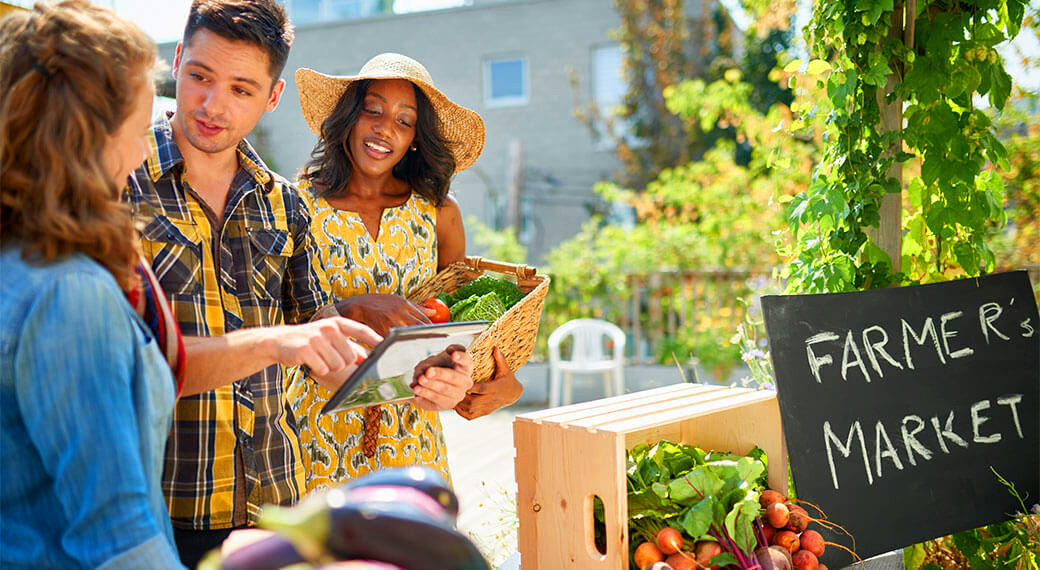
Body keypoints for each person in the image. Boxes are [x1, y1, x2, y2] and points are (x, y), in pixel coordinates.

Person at [123, 2, 473, 567]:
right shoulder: (120, 184)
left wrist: (422, 381)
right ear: (178, 61)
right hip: (154, 507)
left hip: (275, 505)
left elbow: (320, 346)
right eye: (200, 77)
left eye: (241, 88)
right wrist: (283, 340)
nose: (213, 105)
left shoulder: (282, 205)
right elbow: (118, 366)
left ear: (272, 97)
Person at [0, 2, 185, 567]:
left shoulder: (17, 260)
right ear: (85, 138)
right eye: (137, 129)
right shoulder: (70, 293)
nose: (142, 153)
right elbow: (119, 538)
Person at [287, 53, 525, 493]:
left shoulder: (438, 214)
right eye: (372, 111)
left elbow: (459, 327)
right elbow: (271, 324)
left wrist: (501, 385)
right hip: (312, 436)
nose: (383, 129)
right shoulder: (294, 205)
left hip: (412, 441)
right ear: (348, 119)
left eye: (403, 121)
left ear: (416, 138)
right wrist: (352, 309)